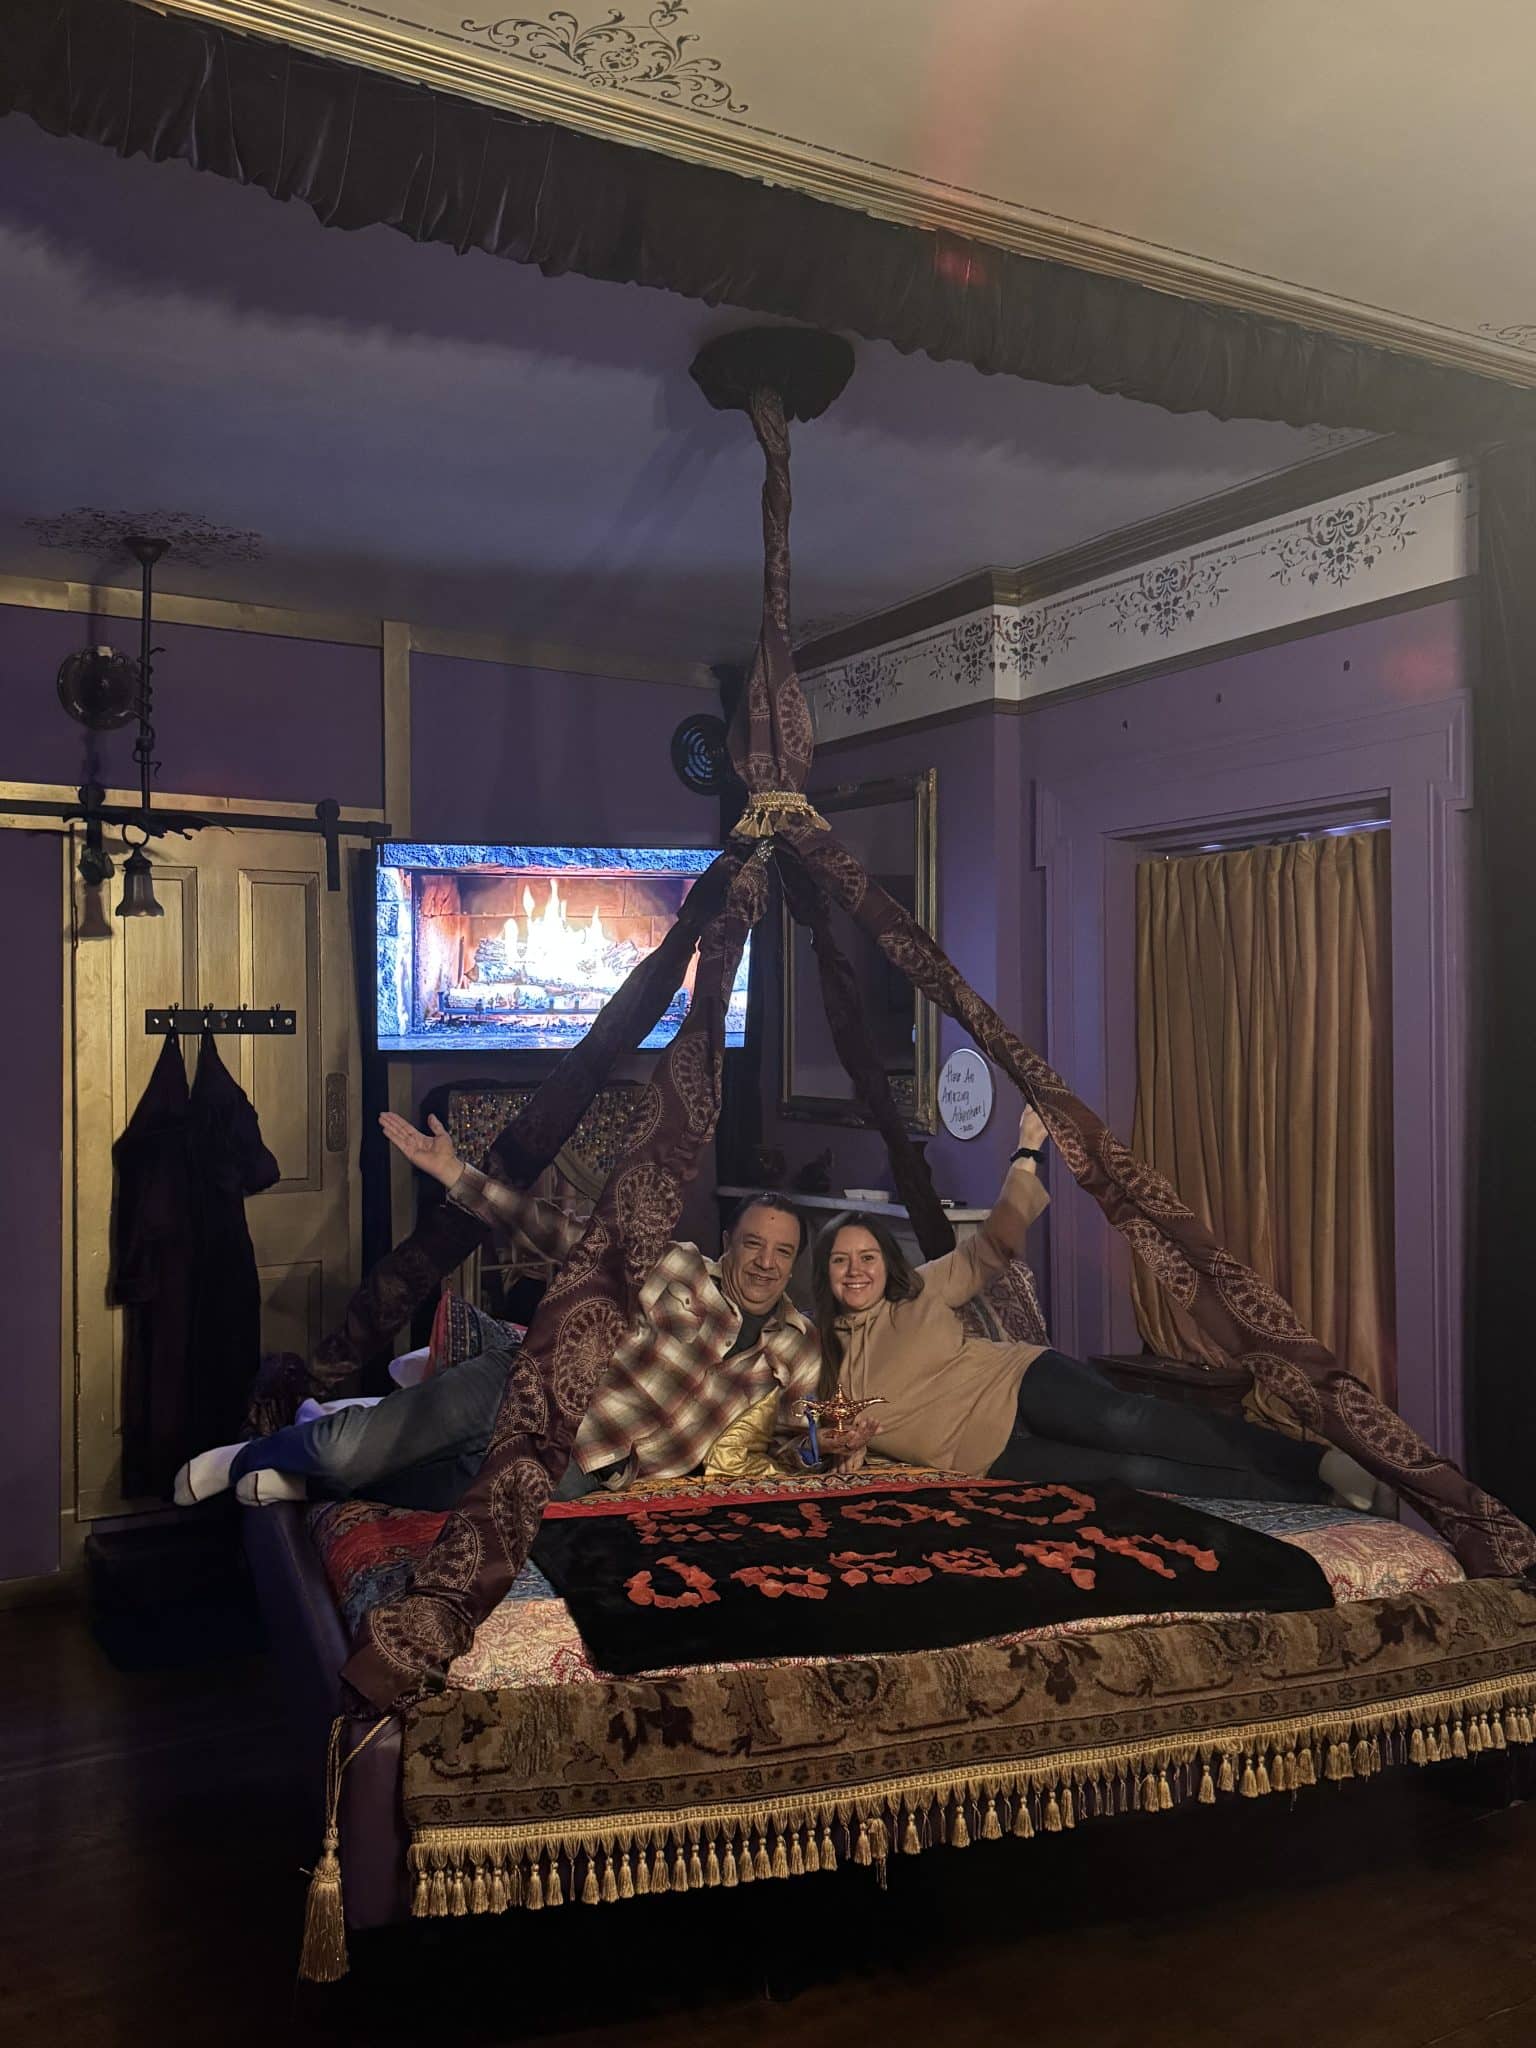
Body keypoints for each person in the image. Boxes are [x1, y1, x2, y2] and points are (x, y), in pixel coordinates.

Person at [173, 1113, 819, 1510]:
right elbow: (558, 1231)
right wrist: (458, 1174)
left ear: (794, 1264)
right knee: (351, 1452)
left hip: (583, 1468)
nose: (764, 1263)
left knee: (445, 1495)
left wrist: (827, 1450)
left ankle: (307, 1484)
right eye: (753, 1244)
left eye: (782, 1252)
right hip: (529, 1383)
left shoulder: (798, 1345)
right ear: (729, 1243)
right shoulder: (677, 1267)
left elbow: (796, 1445)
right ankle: (247, 1455)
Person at [812, 1107, 1381, 1510]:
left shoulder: (919, 1290)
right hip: (990, 1454)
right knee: (1130, 1474)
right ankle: (1317, 1495)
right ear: (826, 1274)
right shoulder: (823, 1356)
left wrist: (1027, 1150)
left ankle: (1317, 1462)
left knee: (1137, 1425)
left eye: (867, 1257)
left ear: (887, 1263)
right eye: (841, 1261)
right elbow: (803, 1437)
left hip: (1021, 1383)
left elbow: (994, 1246)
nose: (857, 1270)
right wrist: (837, 1448)